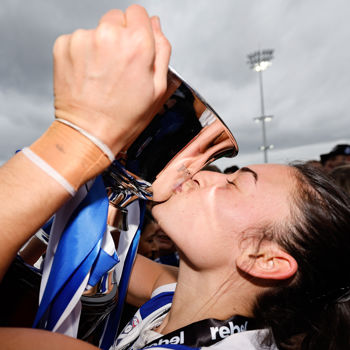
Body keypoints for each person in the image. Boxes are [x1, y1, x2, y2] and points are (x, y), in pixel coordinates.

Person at [1, 6, 350, 350]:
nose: (205, 176)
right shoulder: (188, 301)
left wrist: (77, 138)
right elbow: (96, 254)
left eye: (233, 184)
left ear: (264, 260)